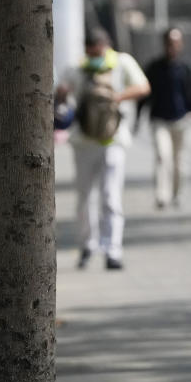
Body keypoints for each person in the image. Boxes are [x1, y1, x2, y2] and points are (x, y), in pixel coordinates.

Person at [56, 27, 150, 270]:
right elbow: (61, 94)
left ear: (106, 45)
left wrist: (117, 97)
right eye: (92, 51)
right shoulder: (76, 68)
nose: (96, 54)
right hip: (84, 141)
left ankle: (112, 249)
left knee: (110, 196)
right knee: (85, 198)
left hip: (113, 140)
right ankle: (88, 245)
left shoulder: (121, 62)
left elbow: (143, 87)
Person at [139, 28, 191, 210]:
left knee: (179, 161)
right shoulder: (154, 68)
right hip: (159, 120)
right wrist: (137, 118)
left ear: (181, 44)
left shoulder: (187, 68)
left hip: (181, 121)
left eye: (176, 43)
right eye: (169, 43)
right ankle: (162, 195)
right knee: (162, 156)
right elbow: (145, 95)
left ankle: (178, 193)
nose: (172, 47)